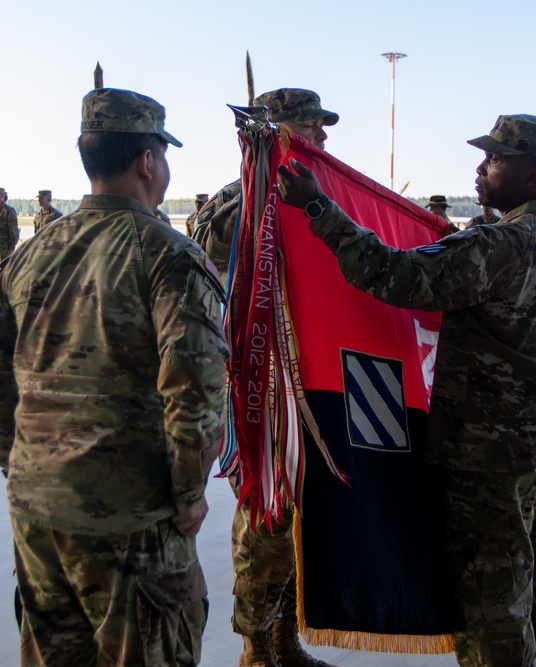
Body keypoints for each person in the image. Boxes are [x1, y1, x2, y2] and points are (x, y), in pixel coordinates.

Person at [278, 113, 536, 667]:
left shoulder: (502, 243)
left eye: (497, 158)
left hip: (493, 458)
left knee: (490, 609)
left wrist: (318, 208)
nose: (481, 166)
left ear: (535, 176)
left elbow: (394, 276)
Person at [0, 87, 229, 667]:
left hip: (36, 513)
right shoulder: (168, 255)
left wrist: (27, 462)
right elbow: (195, 388)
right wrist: (188, 491)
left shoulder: (32, 252)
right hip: (132, 521)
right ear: (147, 160)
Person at [193, 87, 339, 667]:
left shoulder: (314, 196)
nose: (323, 136)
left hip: (306, 384)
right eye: (312, 126)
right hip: (257, 388)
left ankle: (284, 638)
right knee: (266, 517)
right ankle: (255, 644)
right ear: (276, 133)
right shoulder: (238, 207)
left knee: (298, 522)